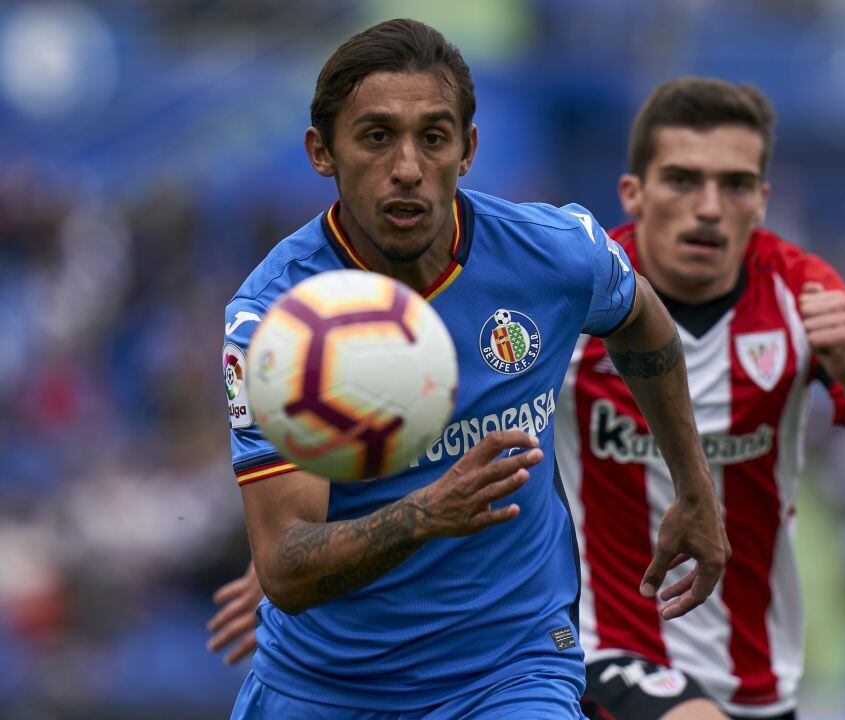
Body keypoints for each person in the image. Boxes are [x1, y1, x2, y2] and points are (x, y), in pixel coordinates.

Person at [217, 21, 729, 720]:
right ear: (321, 152)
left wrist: (694, 490)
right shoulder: (274, 323)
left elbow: (641, 319)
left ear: (467, 150)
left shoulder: (553, 255)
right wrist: (427, 514)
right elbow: (284, 565)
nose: (407, 167)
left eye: (433, 137)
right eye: (375, 137)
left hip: (507, 671)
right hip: (324, 687)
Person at [560, 78, 845, 720]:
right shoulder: (579, 290)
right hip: (604, 651)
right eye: (683, 180)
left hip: (756, 681)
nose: (709, 207)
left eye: (735, 185)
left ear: (763, 201)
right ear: (634, 193)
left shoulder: (803, 292)